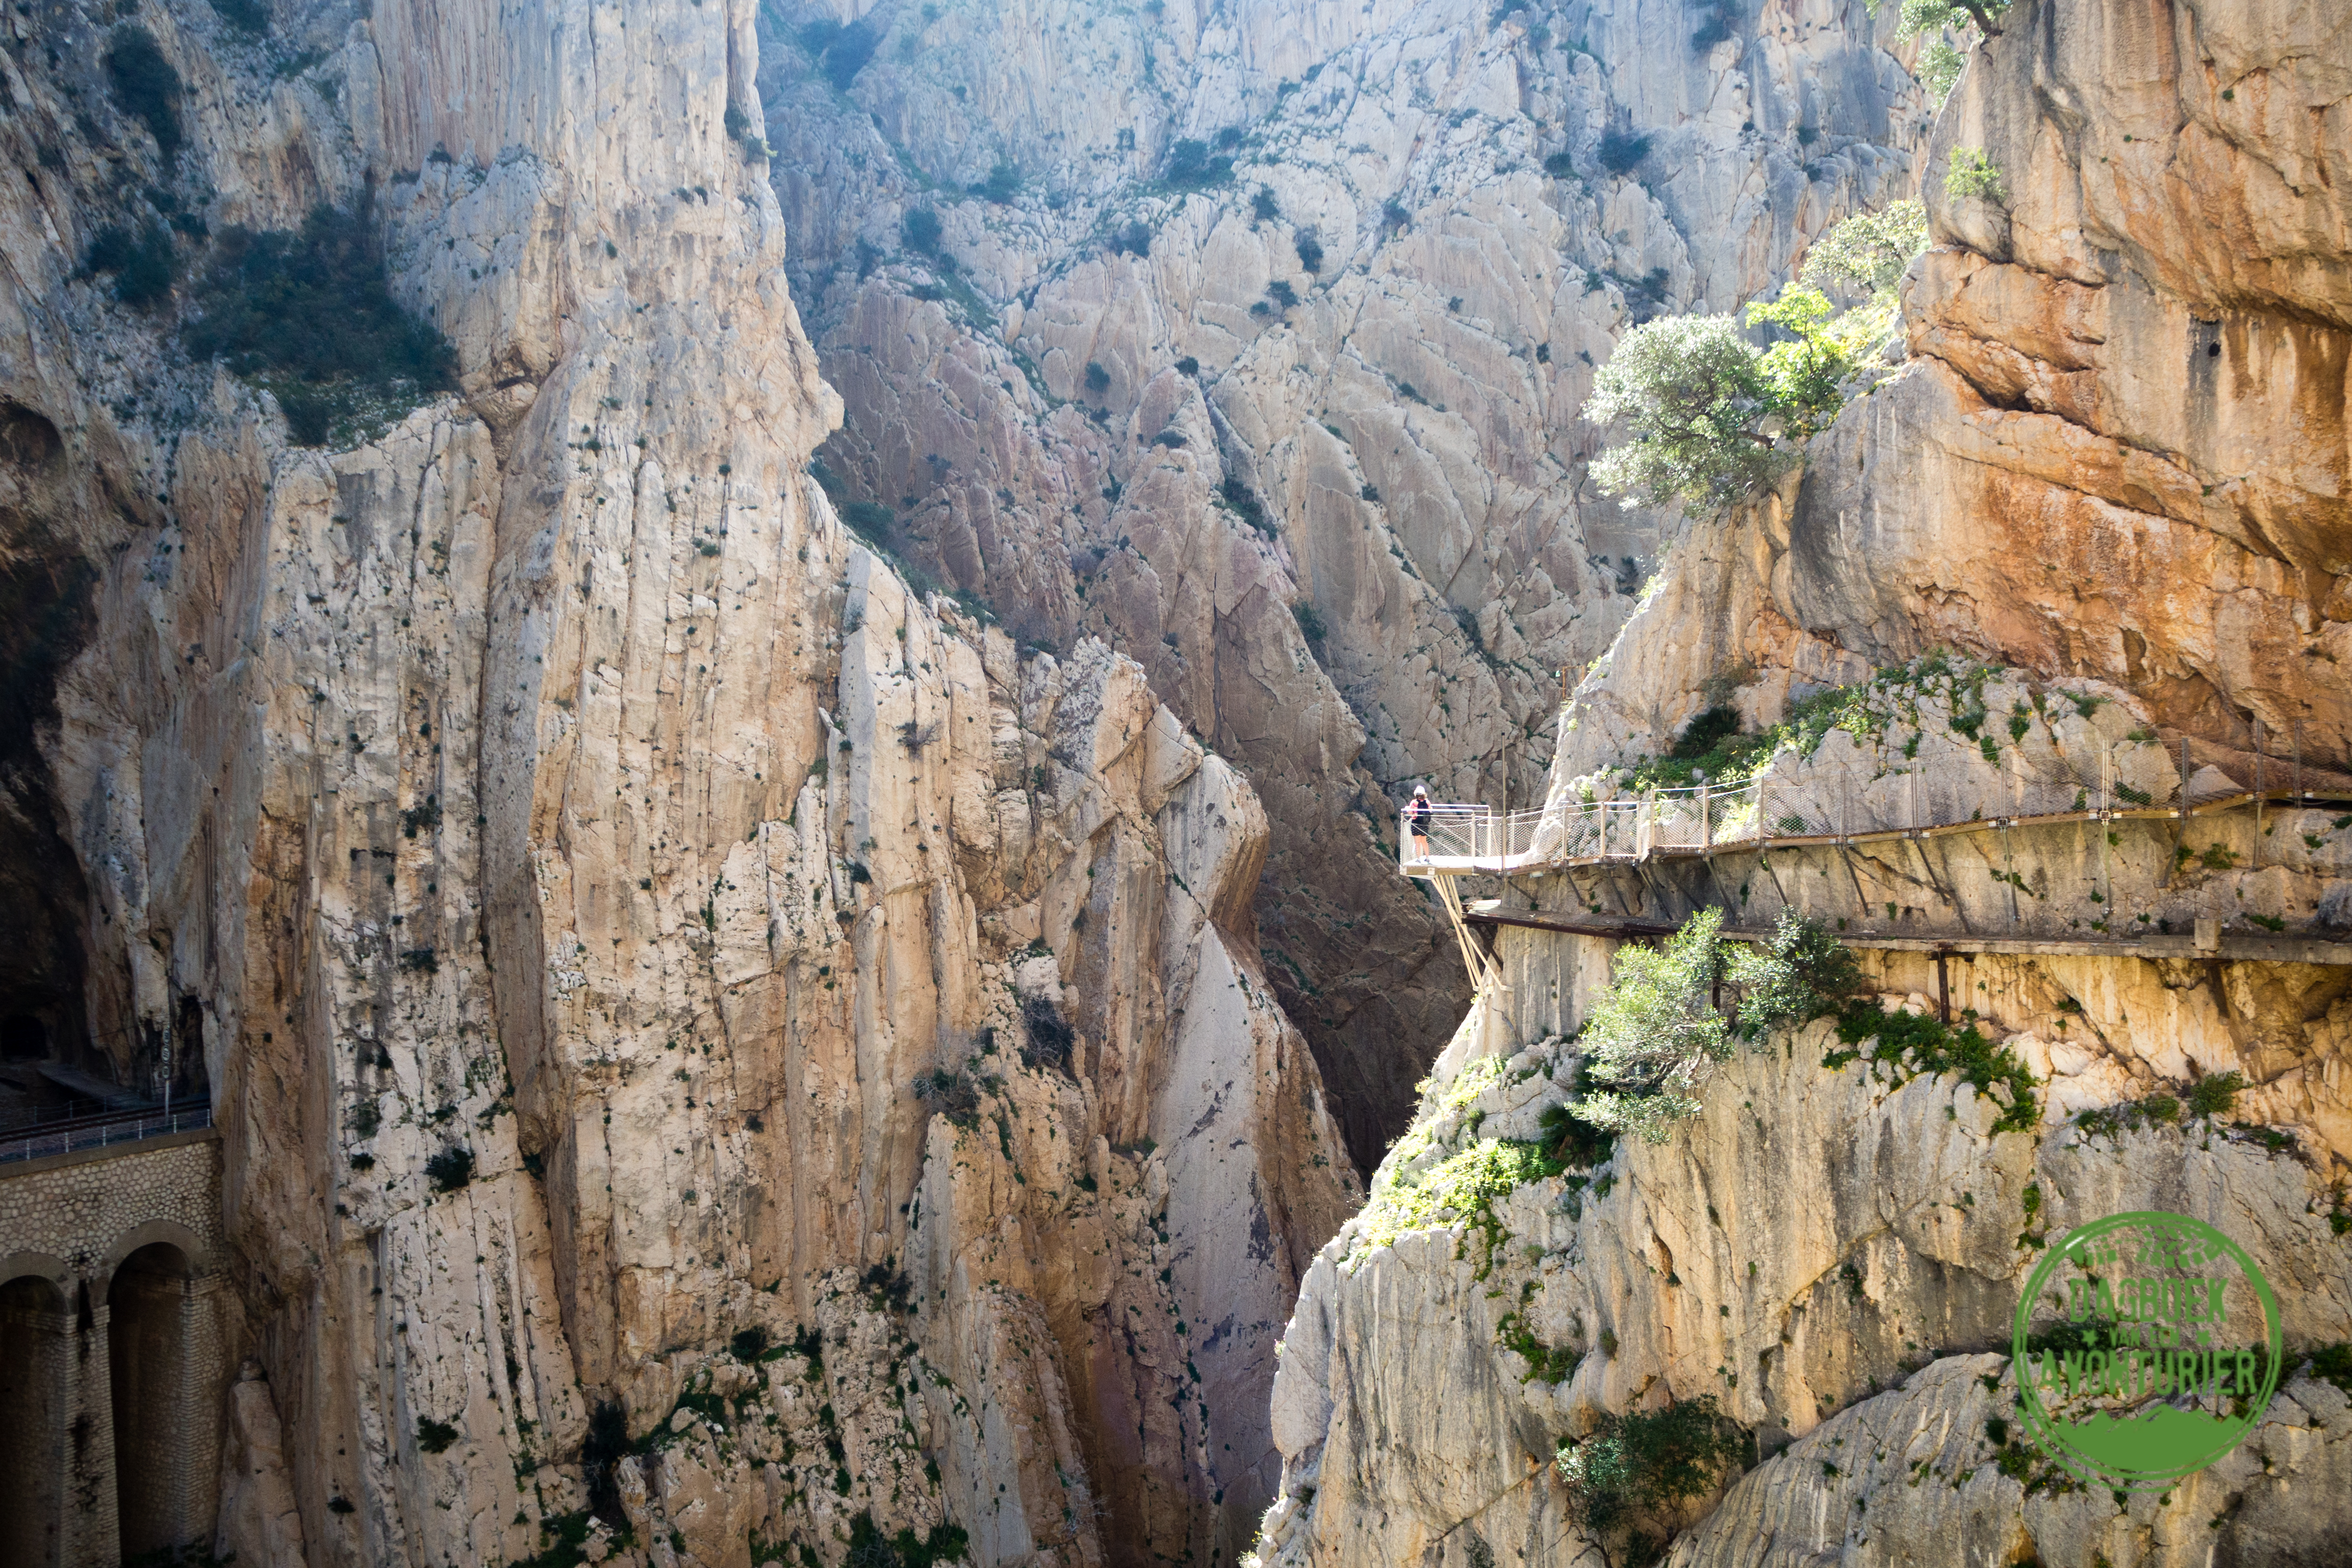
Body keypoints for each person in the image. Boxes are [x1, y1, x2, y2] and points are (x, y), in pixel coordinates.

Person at [1407, 784, 1431, 860]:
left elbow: (1409, 813)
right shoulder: (1427, 802)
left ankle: (1418, 858)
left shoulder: (1414, 803)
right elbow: (1431, 810)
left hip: (1416, 823)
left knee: (1417, 842)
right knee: (1424, 841)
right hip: (1425, 824)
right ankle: (1427, 857)